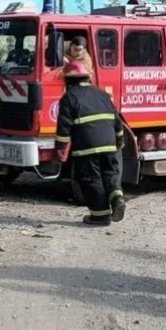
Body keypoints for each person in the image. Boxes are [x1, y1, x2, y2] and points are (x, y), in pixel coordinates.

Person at [54, 60, 125, 226]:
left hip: (86, 147)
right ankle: (117, 198)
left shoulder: (69, 97)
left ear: (68, 80)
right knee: (111, 174)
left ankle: (100, 216)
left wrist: (60, 149)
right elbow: (117, 121)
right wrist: (119, 141)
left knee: (91, 179)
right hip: (110, 144)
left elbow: (64, 127)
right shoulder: (102, 94)